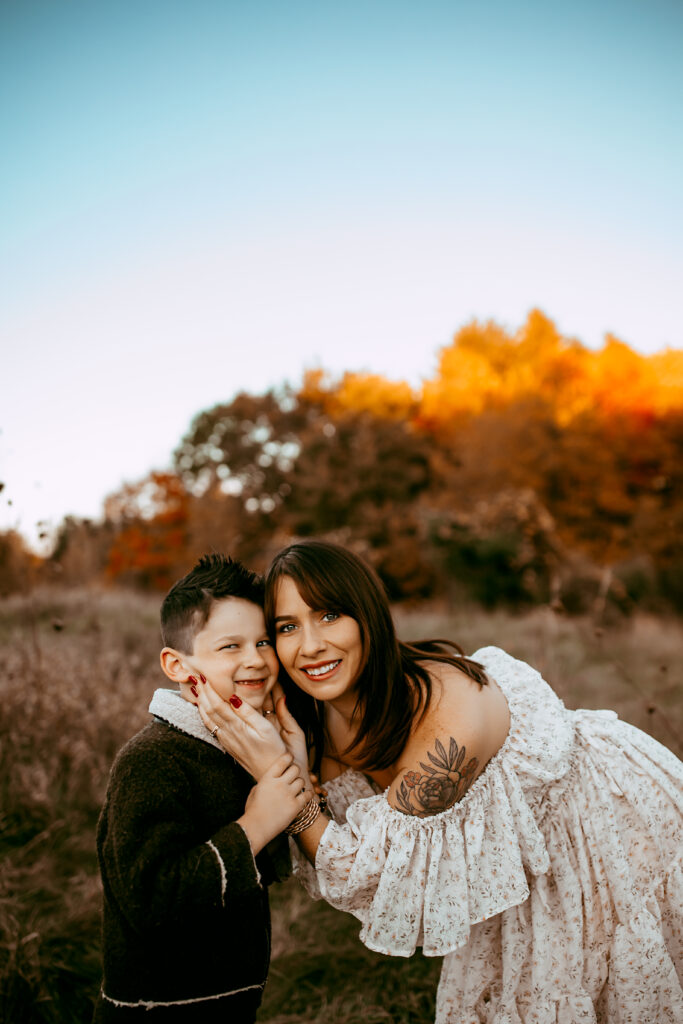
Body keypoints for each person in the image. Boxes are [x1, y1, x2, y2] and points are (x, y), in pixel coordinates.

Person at [193, 539, 683, 1024]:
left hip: (604, 826)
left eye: (329, 615)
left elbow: (367, 873)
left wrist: (285, 781)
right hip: (521, 871)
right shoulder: (316, 720)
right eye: (287, 627)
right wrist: (292, 760)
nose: (311, 645)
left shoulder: (451, 713)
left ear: (368, 617)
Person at [93, 553, 313, 1023]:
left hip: (231, 1002)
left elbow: (267, 871)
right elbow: (150, 900)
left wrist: (284, 765)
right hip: (157, 1010)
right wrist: (254, 825)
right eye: (230, 647)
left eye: (263, 642)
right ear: (176, 665)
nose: (255, 659)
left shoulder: (239, 745)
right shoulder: (151, 760)